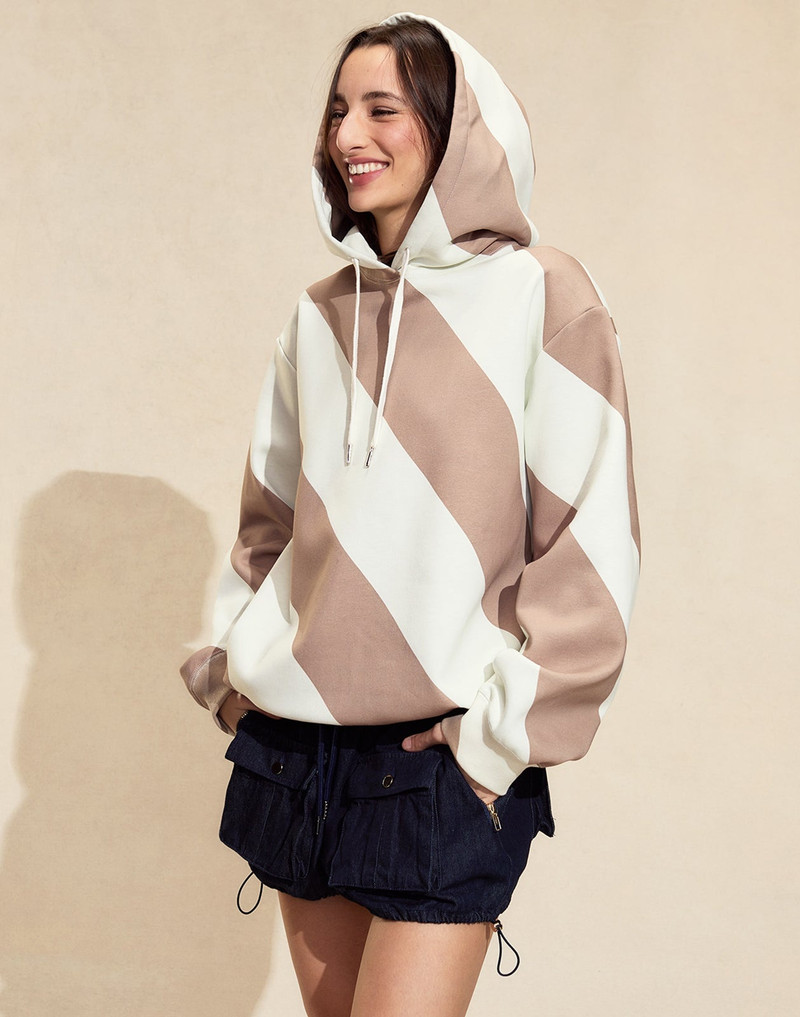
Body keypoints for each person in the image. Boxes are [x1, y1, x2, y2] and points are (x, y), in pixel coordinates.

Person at [181, 12, 640, 1017]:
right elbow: (265, 530)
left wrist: (500, 741)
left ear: (455, 124)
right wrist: (227, 673)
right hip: (295, 753)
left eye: (381, 109)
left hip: (435, 768)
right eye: (337, 110)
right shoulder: (316, 318)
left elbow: (588, 546)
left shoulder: (543, 295)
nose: (347, 134)